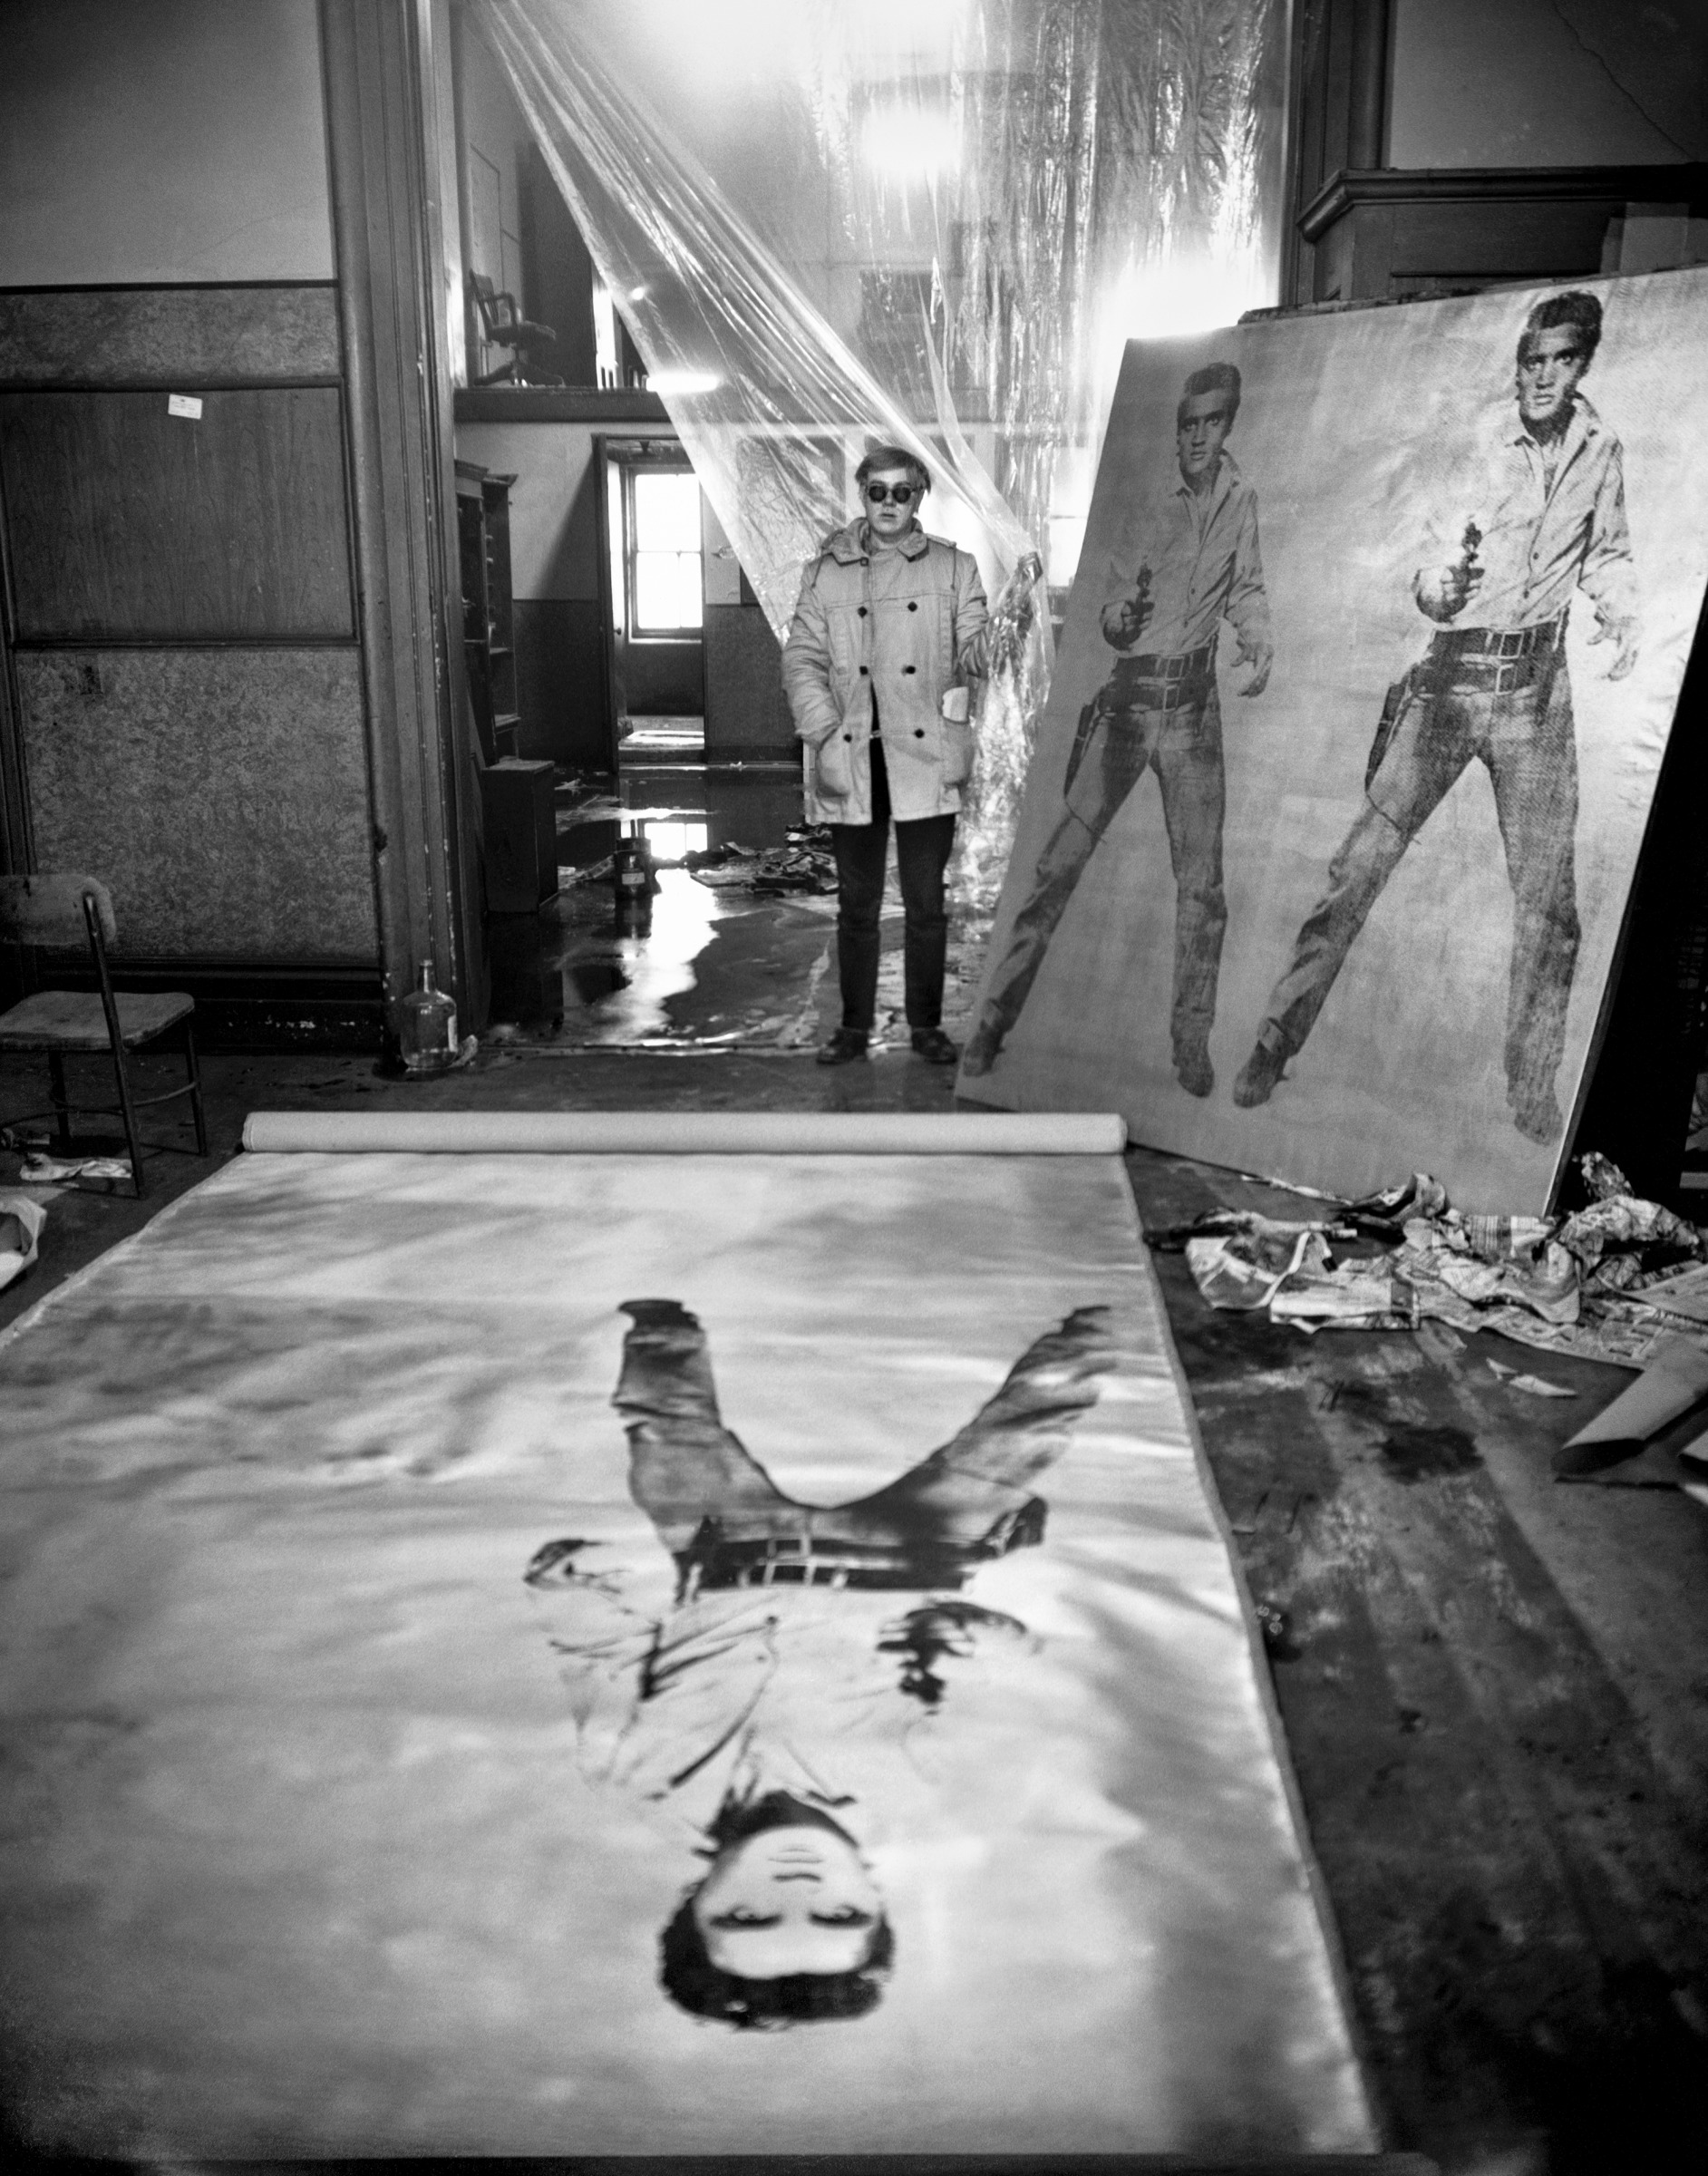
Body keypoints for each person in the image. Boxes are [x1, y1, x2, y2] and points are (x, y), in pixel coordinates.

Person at [524, 1297, 1118, 2026]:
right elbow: (1023, 1684)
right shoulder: (930, 1797)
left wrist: (566, 1585)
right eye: (838, 1915)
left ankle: (662, 1325)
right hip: (915, 1557)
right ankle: (1102, 1322)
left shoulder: (633, 1780)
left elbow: (599, 1655)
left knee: (666, 1433)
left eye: (747, 1916)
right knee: (1029, 1425)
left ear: (693, 1901)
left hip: (730, 1551)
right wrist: (985, 1638)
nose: (796, 1888)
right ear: (875, 1902)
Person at [1231, 289, 1637, 1145]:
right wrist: (1434, 587)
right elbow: (1424, 556)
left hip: (1535, 695)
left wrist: (1623, 611)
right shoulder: (1473, 446)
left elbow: (1608, 553)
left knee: (1549, 907)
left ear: (1582, 366)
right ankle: (1274, 1040)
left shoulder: (1602, 450)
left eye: (1561, 360)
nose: (1542, 376)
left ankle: (1531, 1092)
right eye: (1531, 359)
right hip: (1450, 683)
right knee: (1358, 866)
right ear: (1516, 363)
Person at [962, 362, 1273, 1094]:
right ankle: (992, 1023)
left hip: (1195, 710)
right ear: (1177, 431)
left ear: (1229, 424)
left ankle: (1190, 1043)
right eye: (1188, 424)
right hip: (1130, 703)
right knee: (1057, 866)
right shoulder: (1145, 505)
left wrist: (1259, 638)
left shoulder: (1240, 498)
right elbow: (1107, 610)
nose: (1198, 436)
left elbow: (1248, 586)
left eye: (1212, 422)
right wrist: (1121, 621)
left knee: (1203, 889)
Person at [781, 446, 1001, 1067]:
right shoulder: (825, 572)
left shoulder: (954, 568)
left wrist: (1003, 634)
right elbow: (802, 658)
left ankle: (927, 1026)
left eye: (902, 493)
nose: (888, 504)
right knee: (857, 906)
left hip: (925, 754)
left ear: (919, 498)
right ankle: (852, 1029)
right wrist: (824, 729)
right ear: (862, 495)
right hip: (853, 756)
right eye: (876, 491)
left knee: (928, 903)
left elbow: (975, 647)